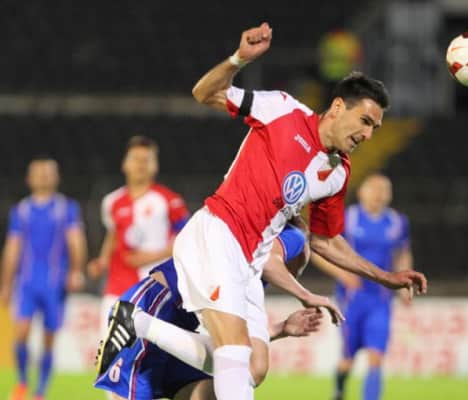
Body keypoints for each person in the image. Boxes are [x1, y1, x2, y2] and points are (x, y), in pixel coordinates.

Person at [102, 22, 426, 400]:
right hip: (219, 233)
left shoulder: (337, 172)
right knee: (234, 354)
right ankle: (136, 324)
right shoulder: (283, 110)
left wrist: (385, 277)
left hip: (250, 262)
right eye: (365, 121)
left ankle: (137, 325)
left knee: (253, 367)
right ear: (338, 107)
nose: (368, 134)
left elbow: (324, 240)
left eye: (375, 128)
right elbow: (205, 93)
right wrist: (238, 59)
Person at [95, 223, 339, 400]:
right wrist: (303, 293)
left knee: (228, 382)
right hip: (157, 304)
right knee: (243, 374)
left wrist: (279, 329)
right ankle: (135, 322)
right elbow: (275, 257)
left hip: (176, 328)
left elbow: (232, 340)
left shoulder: (252, 275)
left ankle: (139, 324)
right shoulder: (289, 237)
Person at [0, 157, 86, 400]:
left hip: (54, 283)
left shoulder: (66, 208)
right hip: (27, 283)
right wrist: (6, 285)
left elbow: (76, 241)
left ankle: (40, 391)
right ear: (29, 179)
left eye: (48, 172)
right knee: (21, 332)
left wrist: (76, 270)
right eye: (39, 173)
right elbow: (12, 248)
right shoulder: (21, 211)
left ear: (56, 177)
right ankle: (22, 382)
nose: (44, 176)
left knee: (49, 338)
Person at [88, 135, 189, 335]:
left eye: (146, 159)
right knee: (109, 344)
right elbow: (113, 234)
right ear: (125, 164)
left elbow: (187, 238)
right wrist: (102, 261)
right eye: (135, 159)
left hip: (156, 287)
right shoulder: (111, 202)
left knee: (152, 347)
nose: (140, 164)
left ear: (155, 166)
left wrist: (155, 255)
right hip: (118, 285)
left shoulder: (169, 201)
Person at [330, 174, 413, 400]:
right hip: (352, 298)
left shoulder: (397, 222)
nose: (379, 193)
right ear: (361, 192)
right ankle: (338, 391)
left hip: (380, 298)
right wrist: (343, 275)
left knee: (376, 357)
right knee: (348, 359)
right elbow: (322, 248)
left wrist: (404, 285)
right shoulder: (349, 218)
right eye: (374, 188)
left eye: (384, 189)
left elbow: (402, 254)